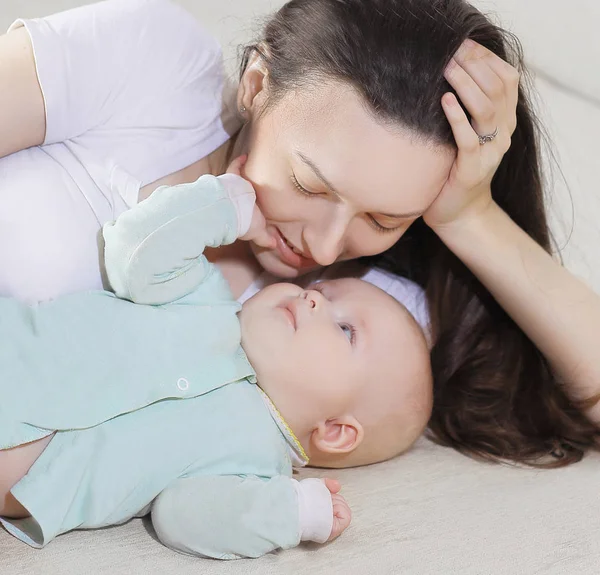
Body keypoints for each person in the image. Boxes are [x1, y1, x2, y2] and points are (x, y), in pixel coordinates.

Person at [1, 0, 599, 467]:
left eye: (384, 219)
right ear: (257, 88)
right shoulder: (156, 64)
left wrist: (469, 216)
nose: (324, 247)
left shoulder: (351, 316)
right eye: (311, 186)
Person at [0, 164, 433, 556]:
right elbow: (133, 250)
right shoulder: (203, 298)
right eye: (321, 290)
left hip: (24, 474)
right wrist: (224, 206)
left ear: (335, 431)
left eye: (345, 330)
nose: (313, 299)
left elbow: (182, 516)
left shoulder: (255, 468)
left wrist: (287, 515)